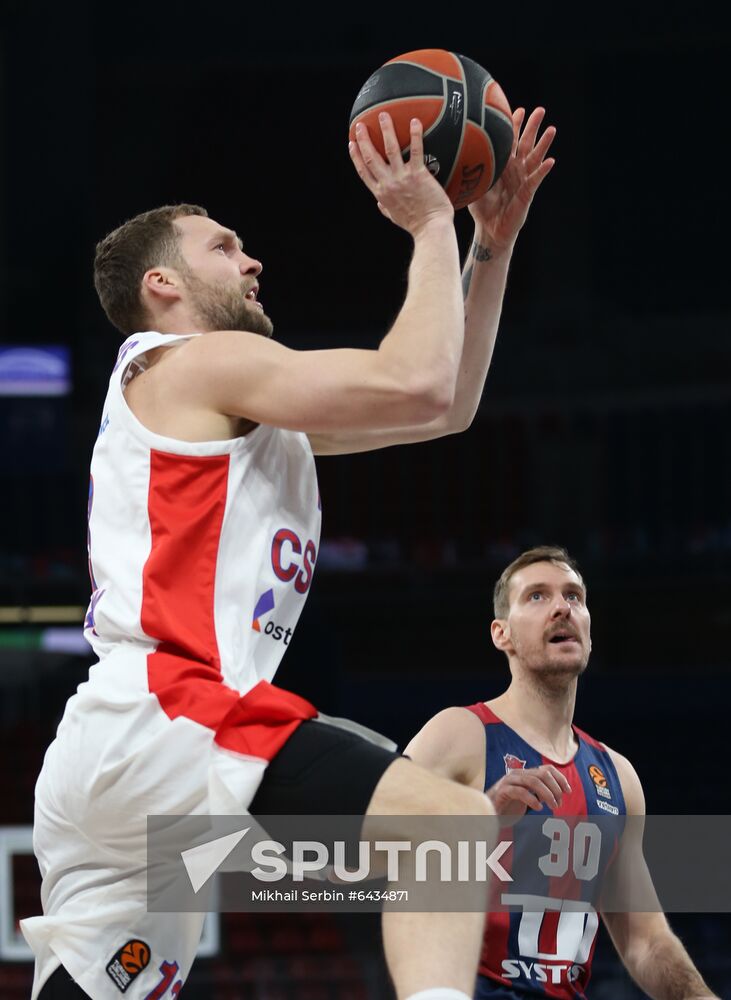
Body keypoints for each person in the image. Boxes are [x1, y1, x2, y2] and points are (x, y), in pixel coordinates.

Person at [21, 108, 555, 1000]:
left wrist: (484, 246)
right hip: (169, 716)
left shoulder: (232, 408)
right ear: (162, 282)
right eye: (224, 247)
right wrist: (428, 221)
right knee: (451, 826)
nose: (251, 258)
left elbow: (442, 404)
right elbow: (415, 378)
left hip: (124, 759)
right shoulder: (188, 363)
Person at [404, 545, 720, 1000]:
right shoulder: (460, 734)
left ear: (589, 629)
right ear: (502, 634)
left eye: (574, 596)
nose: (561, 607)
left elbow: (645, 941)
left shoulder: (617, 778)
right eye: (536, 596)